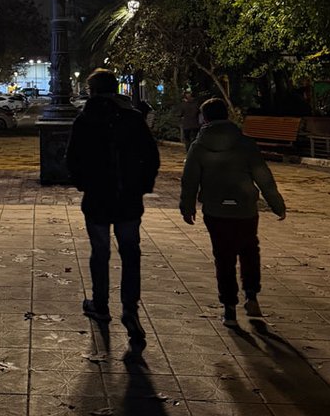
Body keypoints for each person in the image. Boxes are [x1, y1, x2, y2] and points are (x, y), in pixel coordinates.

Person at [66, 69, 160, 344]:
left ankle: (101, 304)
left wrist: (83, 183)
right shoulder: (132, 118)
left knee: (100, 252)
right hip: (128, 199)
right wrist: (142, 186)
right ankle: (130, 309)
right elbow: (151, 157)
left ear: (92, 91)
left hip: (97, 198)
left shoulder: (85, 120)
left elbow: (72, 159)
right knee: (130, 253)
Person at [179, 97, 287, 326]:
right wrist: (276, 203)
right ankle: (251, 295)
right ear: (226, 115)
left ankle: (229, 307)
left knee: (223, 255)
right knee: (249, 250)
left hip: (216, 209)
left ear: (204, 118)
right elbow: (263, 176)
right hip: (245, 207)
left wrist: (187, 207)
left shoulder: (198, 147)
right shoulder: (245, 144)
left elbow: (189, 181)